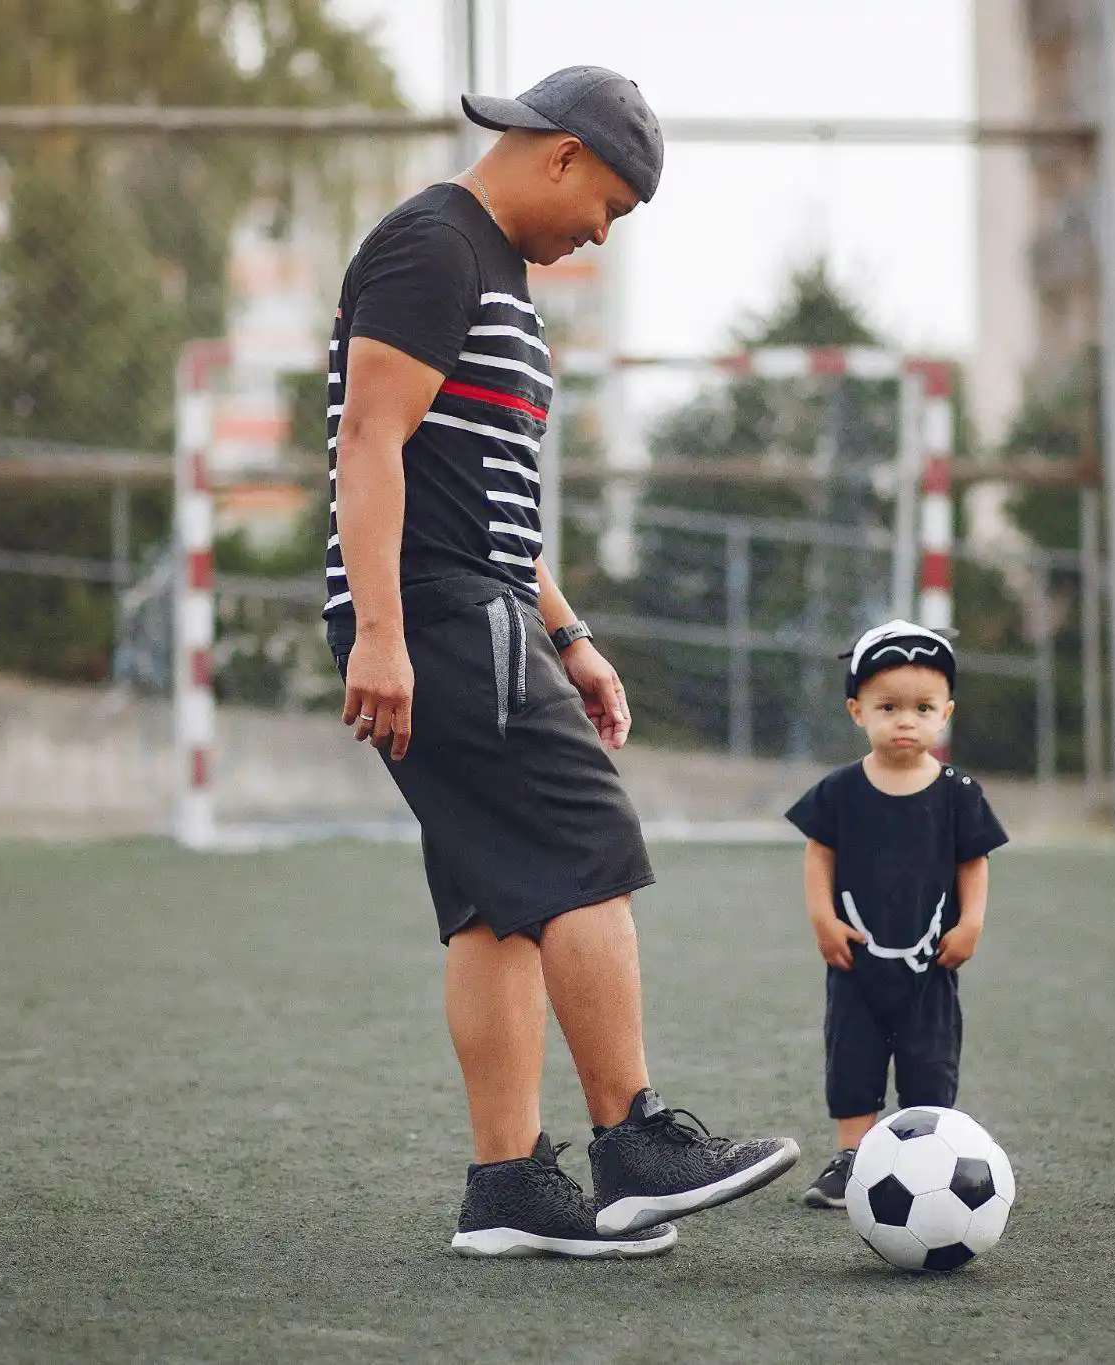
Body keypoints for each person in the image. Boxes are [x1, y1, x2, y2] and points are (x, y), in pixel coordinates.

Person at [324, 65, 799, 1259]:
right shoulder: (434, 246)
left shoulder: (495, 275)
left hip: (470, 604)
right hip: (438, 609)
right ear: (562, 154)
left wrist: (569, 632)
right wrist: (380, 629)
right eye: (609, 206)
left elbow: (486, 489)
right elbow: (369, 439)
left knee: (494, 900)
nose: (600, 232)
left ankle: (510, 1189)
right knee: (585, 840)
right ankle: (633, 1147)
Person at [784, 620, 1009, 1209]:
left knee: (929, 1063)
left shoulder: (959, 792)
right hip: (855, 961)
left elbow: (973, 862)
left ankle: (925, 1158)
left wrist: (971, 923)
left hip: (931, 964)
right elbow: (819, 854)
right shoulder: (840, 790)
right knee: (852, 1060)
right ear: (857, 711)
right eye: (888, 707)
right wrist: (822, 919)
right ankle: (852, 1158)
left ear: (946, 713)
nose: (906, 720)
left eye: (923, 708)